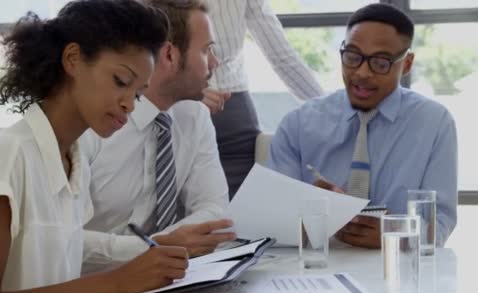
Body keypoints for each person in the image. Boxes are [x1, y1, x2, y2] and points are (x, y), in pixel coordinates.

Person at [0, 0, 189, 293]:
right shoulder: (10, 155)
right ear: (73, 59)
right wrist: (115, 283)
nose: (130, 104)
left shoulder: (75, 165)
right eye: (121, 81)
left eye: (139, 93)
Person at [267, 3, 458, 249]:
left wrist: (395, 232)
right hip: (316, 268)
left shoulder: (434, 123)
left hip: (398, 269)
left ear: (407, 64)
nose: (362, 73)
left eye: (380, 63)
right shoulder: (298, 124)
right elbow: (270, 221)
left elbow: (440, 224)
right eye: (353, 57)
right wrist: (311, 212)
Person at [80, 0, 236, 273]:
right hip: (91, 289)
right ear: (169, 55)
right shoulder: (93, 124)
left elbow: (215, 211)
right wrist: (153, 247)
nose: (215, 62)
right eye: (206, 50)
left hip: (166, 282)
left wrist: (165, 248)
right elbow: (60, 240)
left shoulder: (194, 116)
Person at [202, 0, 324, 199]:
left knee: (240, 213)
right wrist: (185, 93)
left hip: (232, 113)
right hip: (173, 106)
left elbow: (281, 54)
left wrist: (331, 110)